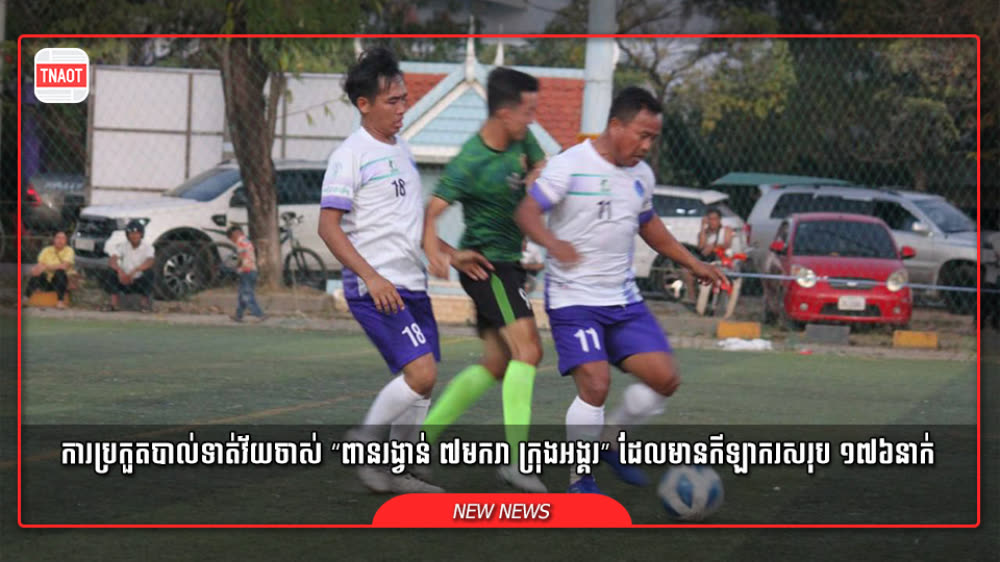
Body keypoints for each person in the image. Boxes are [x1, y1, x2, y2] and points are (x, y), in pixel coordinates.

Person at [515, 86, 729, 494]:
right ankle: (580, 480)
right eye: (642, 135)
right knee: (595, 384)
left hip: (623, 300)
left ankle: (611, 438)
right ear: (615, 125)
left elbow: (649, 226)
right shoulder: (569, 165)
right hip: (574, 300)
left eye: (653, 138)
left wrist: (694, 263)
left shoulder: (641, 175)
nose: (647, 146)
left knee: (665, 380)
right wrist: (552, 242)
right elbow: (526, 212)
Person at [318, 46, 488, 494]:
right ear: (364, 104)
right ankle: (367, 443)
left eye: (404, 99)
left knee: (423, 384)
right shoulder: (350, 155)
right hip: (377, 286)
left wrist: (449, 253)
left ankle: (399, 471)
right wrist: (371, 277)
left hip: (411, 282)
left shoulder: (403, 150)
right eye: (392, 101)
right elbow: (328, 227)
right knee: (421, 373)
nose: (402, 108)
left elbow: (411, 226)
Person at [421, 67, 548, 493]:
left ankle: (419, 446)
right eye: (527, 112)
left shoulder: (522, 138)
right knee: (529, 351)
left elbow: (540, 163)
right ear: (504, 112)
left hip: (509, 265)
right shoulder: (470, 162)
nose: (532, 120)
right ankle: (517, 463)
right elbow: (429, 214)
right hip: (489, 268)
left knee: (497, 363)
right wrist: (444, 254)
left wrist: (535, 179)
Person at [682, 207, 734, 305]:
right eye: (710, 219)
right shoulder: (704, 232)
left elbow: (727, 244)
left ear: (719, 220)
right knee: (687, 270)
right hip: (707, 259)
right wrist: (702, 227)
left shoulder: (726, 230)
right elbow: (701, 246)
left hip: (722, 259)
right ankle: (692, 298)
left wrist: (713, 247)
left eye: (715, 219)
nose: (712, 222)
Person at [106, 220, 155, 312]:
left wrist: (135, 271)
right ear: (127, 235)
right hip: (123, 279)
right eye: (131, 233)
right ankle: (113, 304)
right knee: (111, 271)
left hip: (138, 280)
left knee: (150, 273)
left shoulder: (148, 247)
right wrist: (120, 271)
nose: (134, 236)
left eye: (137, 233)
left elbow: (150, 261)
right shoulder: (123, 246)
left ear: (141, 234)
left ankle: (144, 305)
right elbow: (112, 259)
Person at [25, 231, 75, 308]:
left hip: (61, 282)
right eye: (58, 238)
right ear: (54, 239)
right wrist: (35, 269)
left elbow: (64, 266)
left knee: (60, 272)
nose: (60, 240)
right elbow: (40, 265)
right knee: (37, 273)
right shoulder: (46, 250)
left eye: (63, 238)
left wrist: (46, 267)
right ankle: (24, 299)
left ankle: (60, 302)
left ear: (66, 241)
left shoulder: (69, 250)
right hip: (46, 280)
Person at [226, 225, 266, 323]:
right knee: (242, 294)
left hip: (246, 270)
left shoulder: (240, 241)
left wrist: (236, 266)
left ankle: (259, 314)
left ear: (235, 234)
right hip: (252, 270)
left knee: (247, 295)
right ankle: (238, 315)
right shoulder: (247, 241)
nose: (233, 241)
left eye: (231, 238)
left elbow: (241, 256)